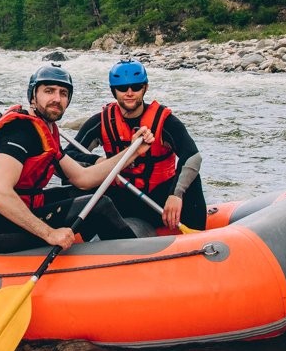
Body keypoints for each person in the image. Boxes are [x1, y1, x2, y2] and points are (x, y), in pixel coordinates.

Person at [0, 64, 152, 253]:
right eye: (49, 91)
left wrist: (132, 152)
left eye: (63, 93)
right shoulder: (20, 131)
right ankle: (137, 258)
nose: (57, 99)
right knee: (100, 206)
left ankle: (92, 254)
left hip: (16, 211)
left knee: (88, 195)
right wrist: (49, 233)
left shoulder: (45, 130)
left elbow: (83, 178)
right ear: (33, 96)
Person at [64, 59, 207, 233]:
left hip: (161, 198)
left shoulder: (165, 122)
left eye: (136, 87)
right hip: (123, 199)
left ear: (145, 88)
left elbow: (192, 156)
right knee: (81, 183)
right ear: (114, 91)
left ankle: (198, 238)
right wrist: (98, 162)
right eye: (122, 88)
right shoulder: (101, 122)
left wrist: (175, 195)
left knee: (192, 180)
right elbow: (67, 156)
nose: (129, 93)